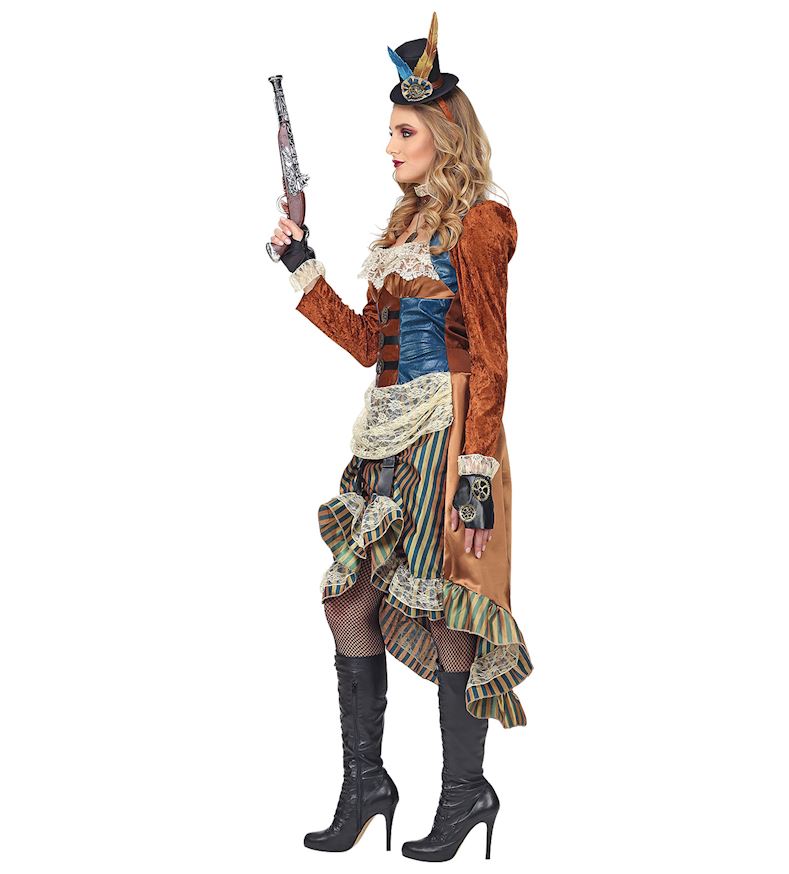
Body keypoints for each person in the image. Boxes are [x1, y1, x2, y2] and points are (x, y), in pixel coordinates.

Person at [269, 12, 533, 862]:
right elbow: (364, 343)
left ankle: (464, 793)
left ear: (444, 138)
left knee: (444, 602)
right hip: (385, 431)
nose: (389, 146)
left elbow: (491, 356)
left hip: (450, 432)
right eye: (389, 131)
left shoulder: (481, 225)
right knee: (348, 598)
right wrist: (301, 264)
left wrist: (478, 474)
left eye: (404, 132)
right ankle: (366, 784)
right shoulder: (400, 228)